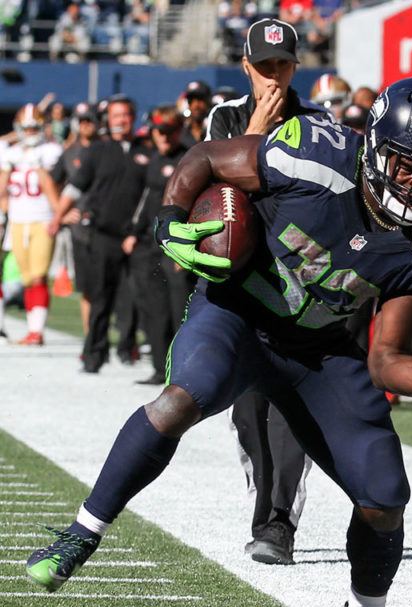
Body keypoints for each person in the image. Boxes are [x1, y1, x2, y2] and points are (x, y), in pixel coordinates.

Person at [24, 77, 412, 607]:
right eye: (406, 166)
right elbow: (206, 157)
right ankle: (79, 536)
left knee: (385, 494)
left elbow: (386, 358)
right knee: (183, 398)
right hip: (237, 313)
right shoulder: (315, 156)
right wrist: (168, 219)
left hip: (316, 350)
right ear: (373, 148)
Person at [207, 18, 330, 565]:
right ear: (247, 67)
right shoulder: (225, 118)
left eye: (283, 65)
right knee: (247, 413)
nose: (274, 77)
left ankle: (278, 525)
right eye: (264, 67)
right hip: (242, 283)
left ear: (296, 65)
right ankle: (265, 508)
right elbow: (220, 188)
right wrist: (257, 125)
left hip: (303, 286)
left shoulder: (320, 125)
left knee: (291, 409)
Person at [51, 94, 148, 373]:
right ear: (108, 120)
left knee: (134, 296)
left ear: (133, 117)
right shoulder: (97, 150)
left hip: (136, 238)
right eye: (116, 116)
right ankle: (94, 352)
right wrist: (58, 216)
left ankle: (128, 349)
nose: (121, 120)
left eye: (126, 115)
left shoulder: (147, 150)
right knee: (100, 296)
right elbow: (74, 188)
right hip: (103, 234)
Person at [126, 106, 193, 385]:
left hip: (175, 246)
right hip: (150, 244)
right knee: (154, 310)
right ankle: (158, 367)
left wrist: (185, 247)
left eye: (168, 132)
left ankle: (183, 373)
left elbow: (194, 205)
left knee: (180, 311)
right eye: (158, 132)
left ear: (179, 131)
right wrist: (133, 232)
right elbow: (145, 200)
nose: (163, 137)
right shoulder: (153, 160)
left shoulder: (189, 159)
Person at [0, 103, 63, 345]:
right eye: (25, 129)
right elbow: (3, 191)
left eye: (33, 128)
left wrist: (58, 214)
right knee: (26, 277)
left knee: (38, 276)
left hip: (43, 217)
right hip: (17, 220)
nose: (29, 133)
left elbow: (54, 186)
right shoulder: (11, 153)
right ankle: (31, 330)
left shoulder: (51, 151)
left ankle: (37, 330)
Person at [50, 102, 99, 336]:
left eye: (90, 120)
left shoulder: (106, 149)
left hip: (108, 224)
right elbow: (50, 181)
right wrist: (61, 213)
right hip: (81, 228)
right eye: (82, 121)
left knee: (114, 286)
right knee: (87, 286)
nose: (86, 125)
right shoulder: (70, 152)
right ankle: (90, 337)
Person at [181, 80, 213, 148]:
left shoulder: (216, 130)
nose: (196, 105)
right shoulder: (179, 132)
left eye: (200, 99)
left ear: (208, 102)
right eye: (191, 100)